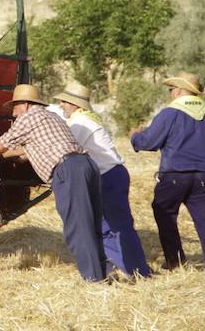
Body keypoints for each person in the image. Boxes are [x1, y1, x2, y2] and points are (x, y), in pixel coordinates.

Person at [0, 84, 107, 282]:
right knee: (91, 223)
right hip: (86, 165)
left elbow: (3, 143)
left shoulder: (29, 117)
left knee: (78, 227)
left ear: (25, 104)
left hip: (68, 170)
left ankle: (93, 280)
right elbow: (31, 150)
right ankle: (101, 272)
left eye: (15, 106)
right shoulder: (50, 116)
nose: (14, 111)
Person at [130, 72, 205, 278]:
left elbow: (149, 142)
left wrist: (135, 138)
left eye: (171, 89)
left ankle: (175, 261)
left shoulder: (170, 113)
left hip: (175, 176)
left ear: (179, 91)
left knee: (164, 212)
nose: (171, 93)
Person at [54, 82, 151, 277]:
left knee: (112, 227)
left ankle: (132, 270)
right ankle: (134, 269)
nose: (61, 105)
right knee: (117, 226)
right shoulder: (87, 119)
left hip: (107, 176)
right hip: (113, 174)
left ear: (75, 105)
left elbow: (66, 149)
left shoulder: (79, 123)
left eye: (64, 101)